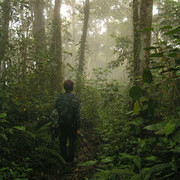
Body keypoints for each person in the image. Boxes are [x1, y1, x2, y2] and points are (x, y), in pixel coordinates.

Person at [55, 80, 80, 163]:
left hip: (61, 124)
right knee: (72, 143)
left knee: (62, 142)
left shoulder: (59, 97)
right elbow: (77, 115)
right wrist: (78, 128)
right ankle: (71, 161)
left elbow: (55, 110)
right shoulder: (75, 99)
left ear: (64, 87)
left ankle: (63, 160)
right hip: (72, 125)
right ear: (72, 87)